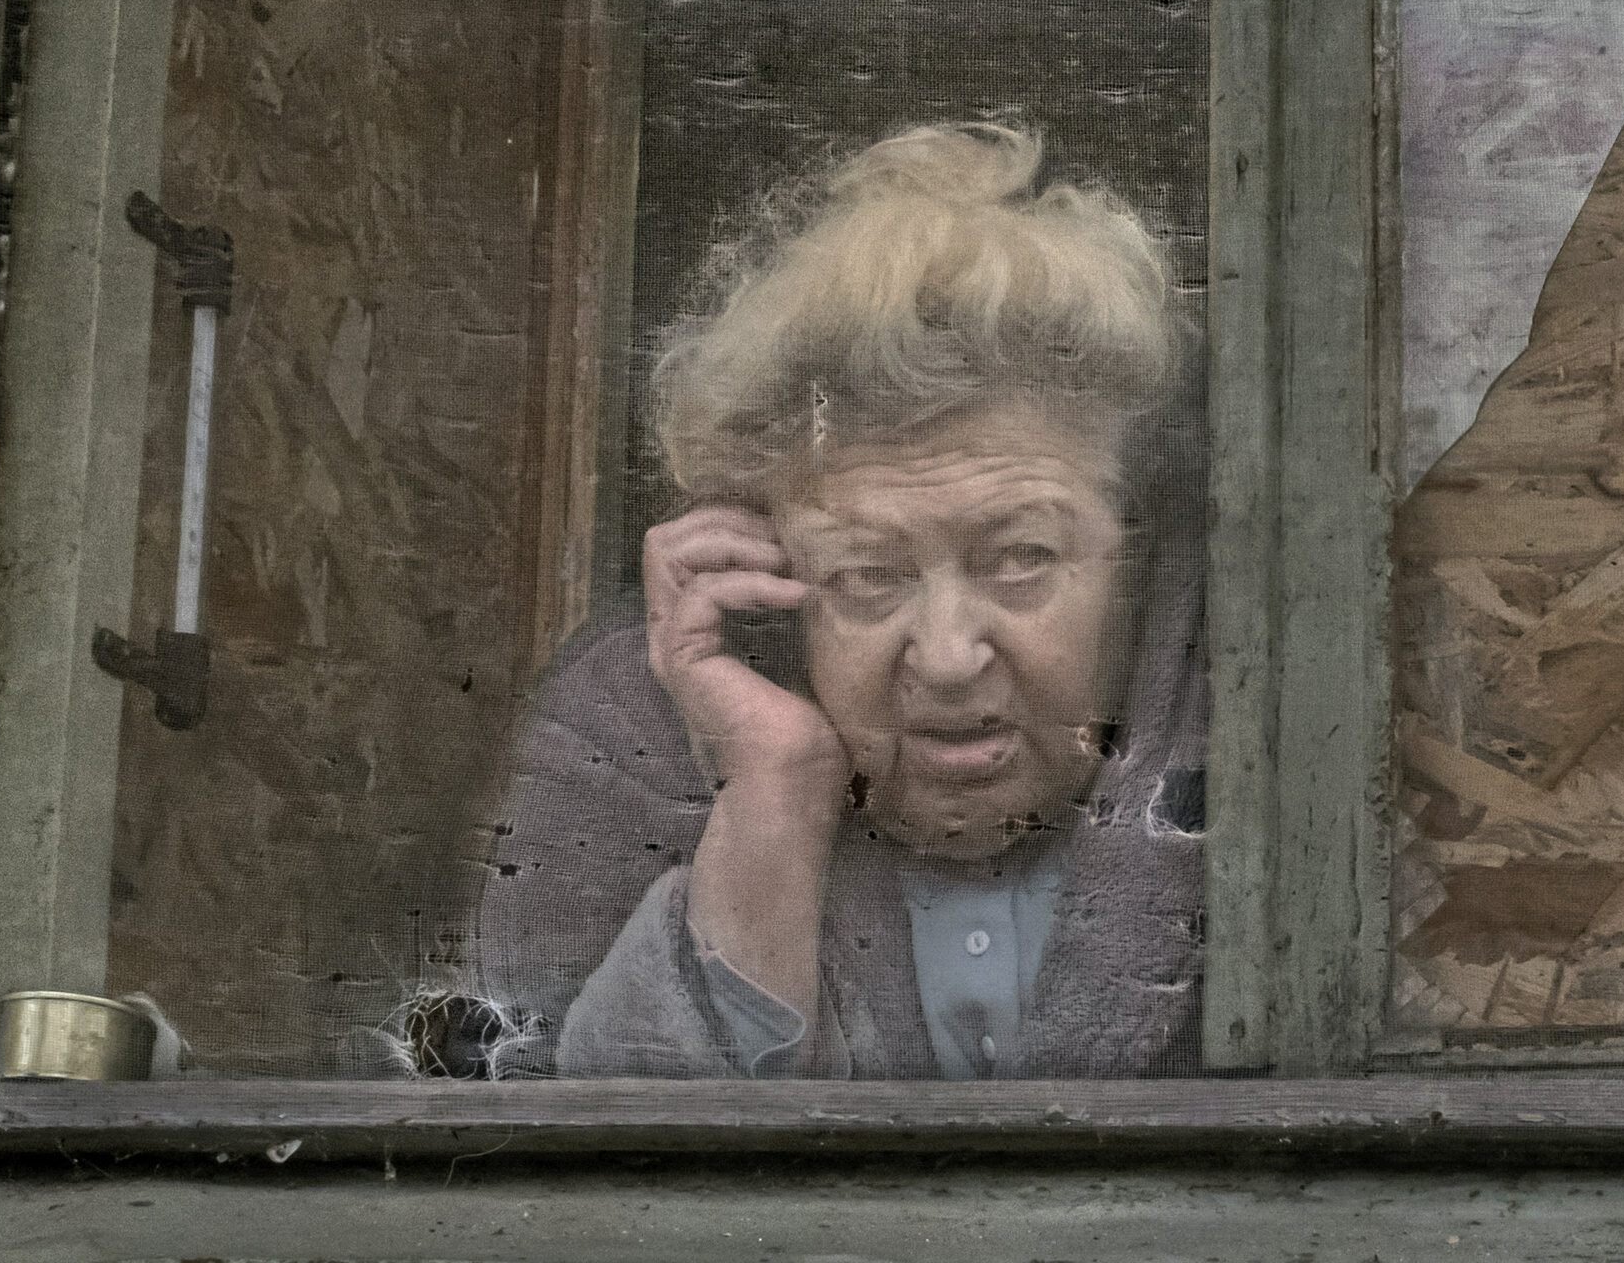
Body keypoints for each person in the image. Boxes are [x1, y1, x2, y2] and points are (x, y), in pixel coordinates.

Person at [479, 122, 1208, 1079]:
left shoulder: (1256, 746)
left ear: (1133, 560)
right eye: (868, 575)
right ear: (774, 581)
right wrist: (773, 793)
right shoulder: (627, 749)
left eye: (1020, 557)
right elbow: (563, 1146)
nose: (947, 657)